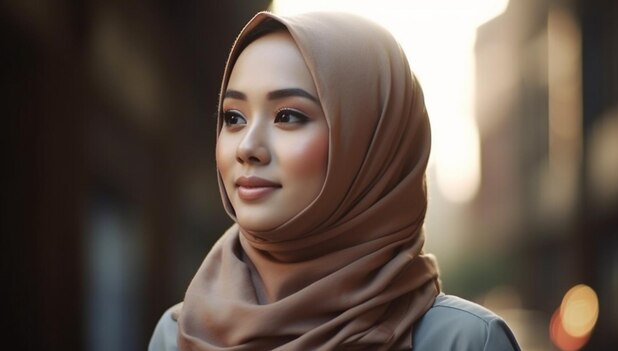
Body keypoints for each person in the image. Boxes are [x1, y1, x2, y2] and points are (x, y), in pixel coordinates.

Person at [149, 11, 521, 351]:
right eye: (233, 118)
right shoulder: (179, 335)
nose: (247, 147)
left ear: (370, 143)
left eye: (288, 116)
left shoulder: (463, 342)